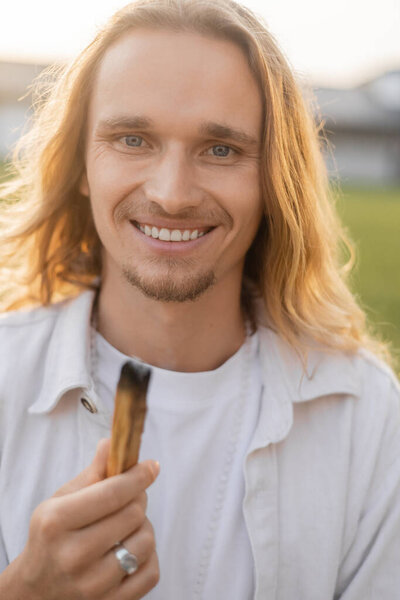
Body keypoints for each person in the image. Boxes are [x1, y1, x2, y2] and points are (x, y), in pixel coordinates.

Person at [0, 0, 399, 598]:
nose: (172, 194)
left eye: (221, 150)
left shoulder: (364, 414)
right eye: (133, 138)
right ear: (82, 162)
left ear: (274, 181)